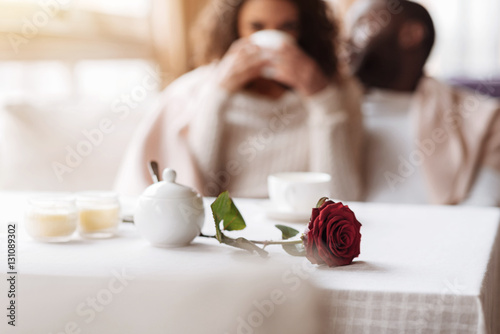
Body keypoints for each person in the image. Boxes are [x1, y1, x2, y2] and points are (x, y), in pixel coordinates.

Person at [115, 0, 364, 199]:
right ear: (235, 29)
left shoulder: (337, 92)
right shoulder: (196, 89)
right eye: (256, 27)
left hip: (302, 231)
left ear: (306, 30)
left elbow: (340, 197)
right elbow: (196, 192)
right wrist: (219, 94)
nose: (273, 38)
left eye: (288, 26)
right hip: (227, 229)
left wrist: (321, 98)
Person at [346, 0, 500, 206]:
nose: (347, 41)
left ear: (411, 34)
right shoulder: (332, 111)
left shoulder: (483, 118)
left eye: (365, 26)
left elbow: (483, 214)